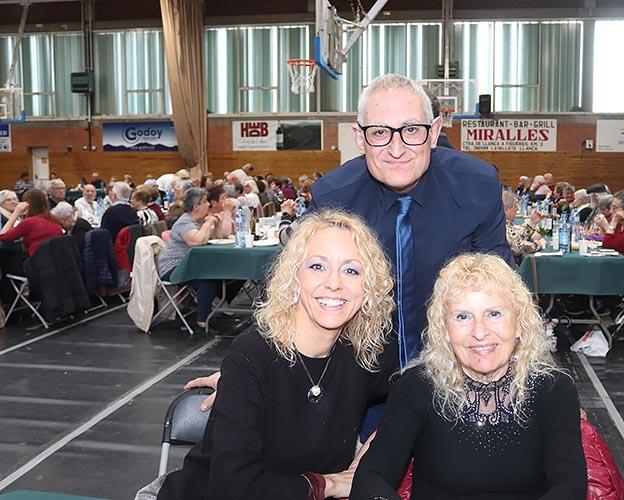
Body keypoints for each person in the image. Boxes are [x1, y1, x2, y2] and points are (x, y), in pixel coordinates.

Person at [188, 73, 512, 418]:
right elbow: (296, 292)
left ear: (433, 132)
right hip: (361, 381)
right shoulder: (334, 196)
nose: (397, 149)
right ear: (360, 137)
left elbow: (502, 294)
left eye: (411, 130)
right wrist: (249, 372)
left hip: (458, 377)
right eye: (380, 133)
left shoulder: (477, 186)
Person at [140, 210, 398, 500]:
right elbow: (234, 488)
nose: (334, 283)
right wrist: (330, 484)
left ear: (368, 288)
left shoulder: (363, 354)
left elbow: (420, 387)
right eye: (317, 266)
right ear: (294, 278)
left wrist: (377, 446)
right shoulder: (253, 354)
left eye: (351, 270)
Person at [350, 253, 587, 499]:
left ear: (519, 324)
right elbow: (371, 476)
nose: (480, 332)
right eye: (463, 317)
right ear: (445, 330)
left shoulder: (553, 388)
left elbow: (570, 485)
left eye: (494, 314)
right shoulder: (417, 386)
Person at [157, 188, 220, 330]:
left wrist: (217, 223)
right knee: (209, 278)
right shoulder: (184, 223)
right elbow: (197, 241)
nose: (209, 204)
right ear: (196, 206)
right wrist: (208, 223)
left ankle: (219, 305)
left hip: (190, 265)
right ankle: (203, 319)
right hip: (174, 267)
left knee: (225, 273)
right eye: (205, 202)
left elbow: (219, 237)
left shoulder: (199, 221)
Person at [0, 189, 62, 256]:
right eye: (8, 200)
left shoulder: (29, 222)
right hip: (54, 258)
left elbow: (3, 237)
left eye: (15, 199)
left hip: (37, 259)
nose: (13, 202)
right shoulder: (54, 220)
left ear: (26, 204)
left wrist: (16, 213)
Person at [501, 191, 546, 262]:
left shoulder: (500, 221)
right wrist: (539, 244)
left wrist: (532, 223)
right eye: (515, 206)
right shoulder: (502, 225)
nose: (517, 209)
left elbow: (516, 236)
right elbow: (519, 247)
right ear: (506, 210)